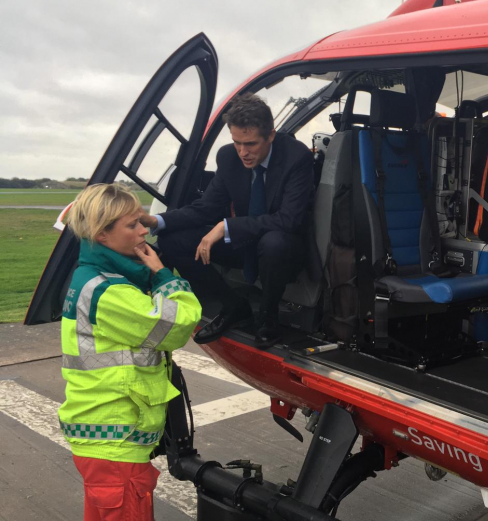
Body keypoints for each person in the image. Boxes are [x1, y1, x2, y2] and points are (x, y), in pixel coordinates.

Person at [59, 183, 202, 521]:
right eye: (132, 225)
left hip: (102, 439)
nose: (143, 230)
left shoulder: (93, 277)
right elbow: (179, 325)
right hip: (116, 440)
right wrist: (164, 276)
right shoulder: (110, 292)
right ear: (102, 235)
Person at [141, 92, 314, 347]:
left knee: (274, 242)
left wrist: (226, 226)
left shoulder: (296, 157)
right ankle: (233, 306)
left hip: (285, 248)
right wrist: (155, 221)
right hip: (246, 240)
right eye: (237, 143)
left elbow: (289, 220)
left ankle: (268, 318)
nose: (243, 152)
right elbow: (206, 208)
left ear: (271, 135)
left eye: (251, 144)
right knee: (172, 240)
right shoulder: (228, 157)